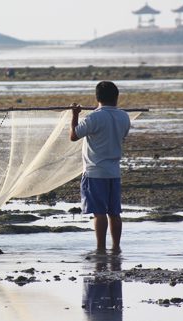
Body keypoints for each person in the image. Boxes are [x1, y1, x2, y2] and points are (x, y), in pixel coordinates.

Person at [69, 81, 130, 253]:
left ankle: (101, 248)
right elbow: (122, 136)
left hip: (95, 172)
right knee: (114, 213)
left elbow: (74, 135)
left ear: (97, 98)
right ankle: (116, 248)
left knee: (99, 213)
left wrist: (74, 115)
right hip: (114, 172)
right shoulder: (124, 117)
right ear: (116, 97)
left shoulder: (93, 117)